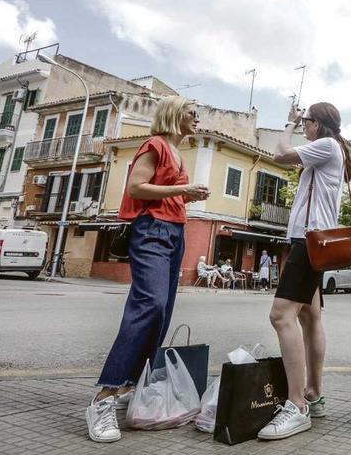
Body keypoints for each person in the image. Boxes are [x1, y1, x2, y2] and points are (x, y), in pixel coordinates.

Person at [86, 96, 209, 443]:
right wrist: (184, 188)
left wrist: (185, 197)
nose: (197, 118)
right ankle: (103, 397)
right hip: (152, 230)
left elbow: (163, 192)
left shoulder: (178, 151)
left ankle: (130, 385)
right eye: (192, 112)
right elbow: (136, 187)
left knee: (163, 312)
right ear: (174, 115)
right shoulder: (155, 144)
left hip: (174, 232)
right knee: (150, 304)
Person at [258, 102, 351, 441]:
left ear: (318, 124)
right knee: (310, 317)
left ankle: (296, 405)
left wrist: (288, 124)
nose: (305, 128)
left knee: (281, 315)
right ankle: (314, 393)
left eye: (307, 123)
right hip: (317, 241)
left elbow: (279, 154)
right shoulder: (332, 149)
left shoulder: (327, 145)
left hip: (308, 240)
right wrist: (299, 123)